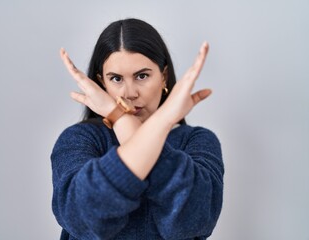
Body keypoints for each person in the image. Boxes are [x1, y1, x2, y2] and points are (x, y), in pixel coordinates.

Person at [51, 18, 224, 240]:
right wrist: (123, 120)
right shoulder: (79, 139)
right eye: (116, 79)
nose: (129, 93)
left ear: (163, 76)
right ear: (102, 83)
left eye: (142, 76)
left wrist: (125, 122)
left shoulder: (197, 141)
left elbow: (192, 221)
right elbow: (84, 220)